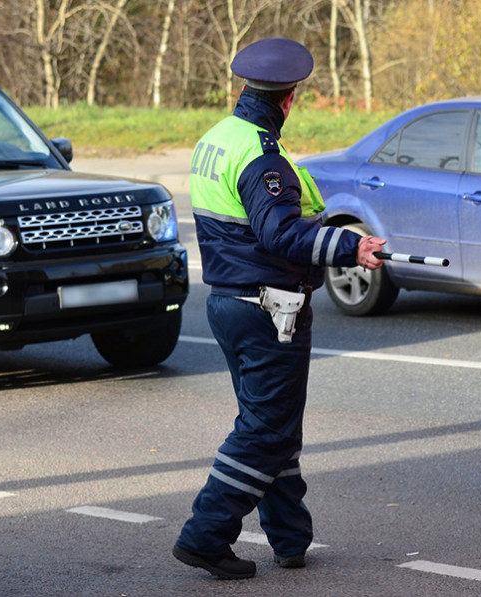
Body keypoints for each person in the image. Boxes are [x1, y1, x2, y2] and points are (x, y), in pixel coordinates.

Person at [171, 37, 387, 581]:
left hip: (229, 301)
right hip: (270, 308)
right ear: (289, 99)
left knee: (273, 425)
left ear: (244, 88)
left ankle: (291, 539)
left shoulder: (218, 137)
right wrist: (349, 247)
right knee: (266, 431)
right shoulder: (264, 155)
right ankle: (205, 535)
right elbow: (280, 233)